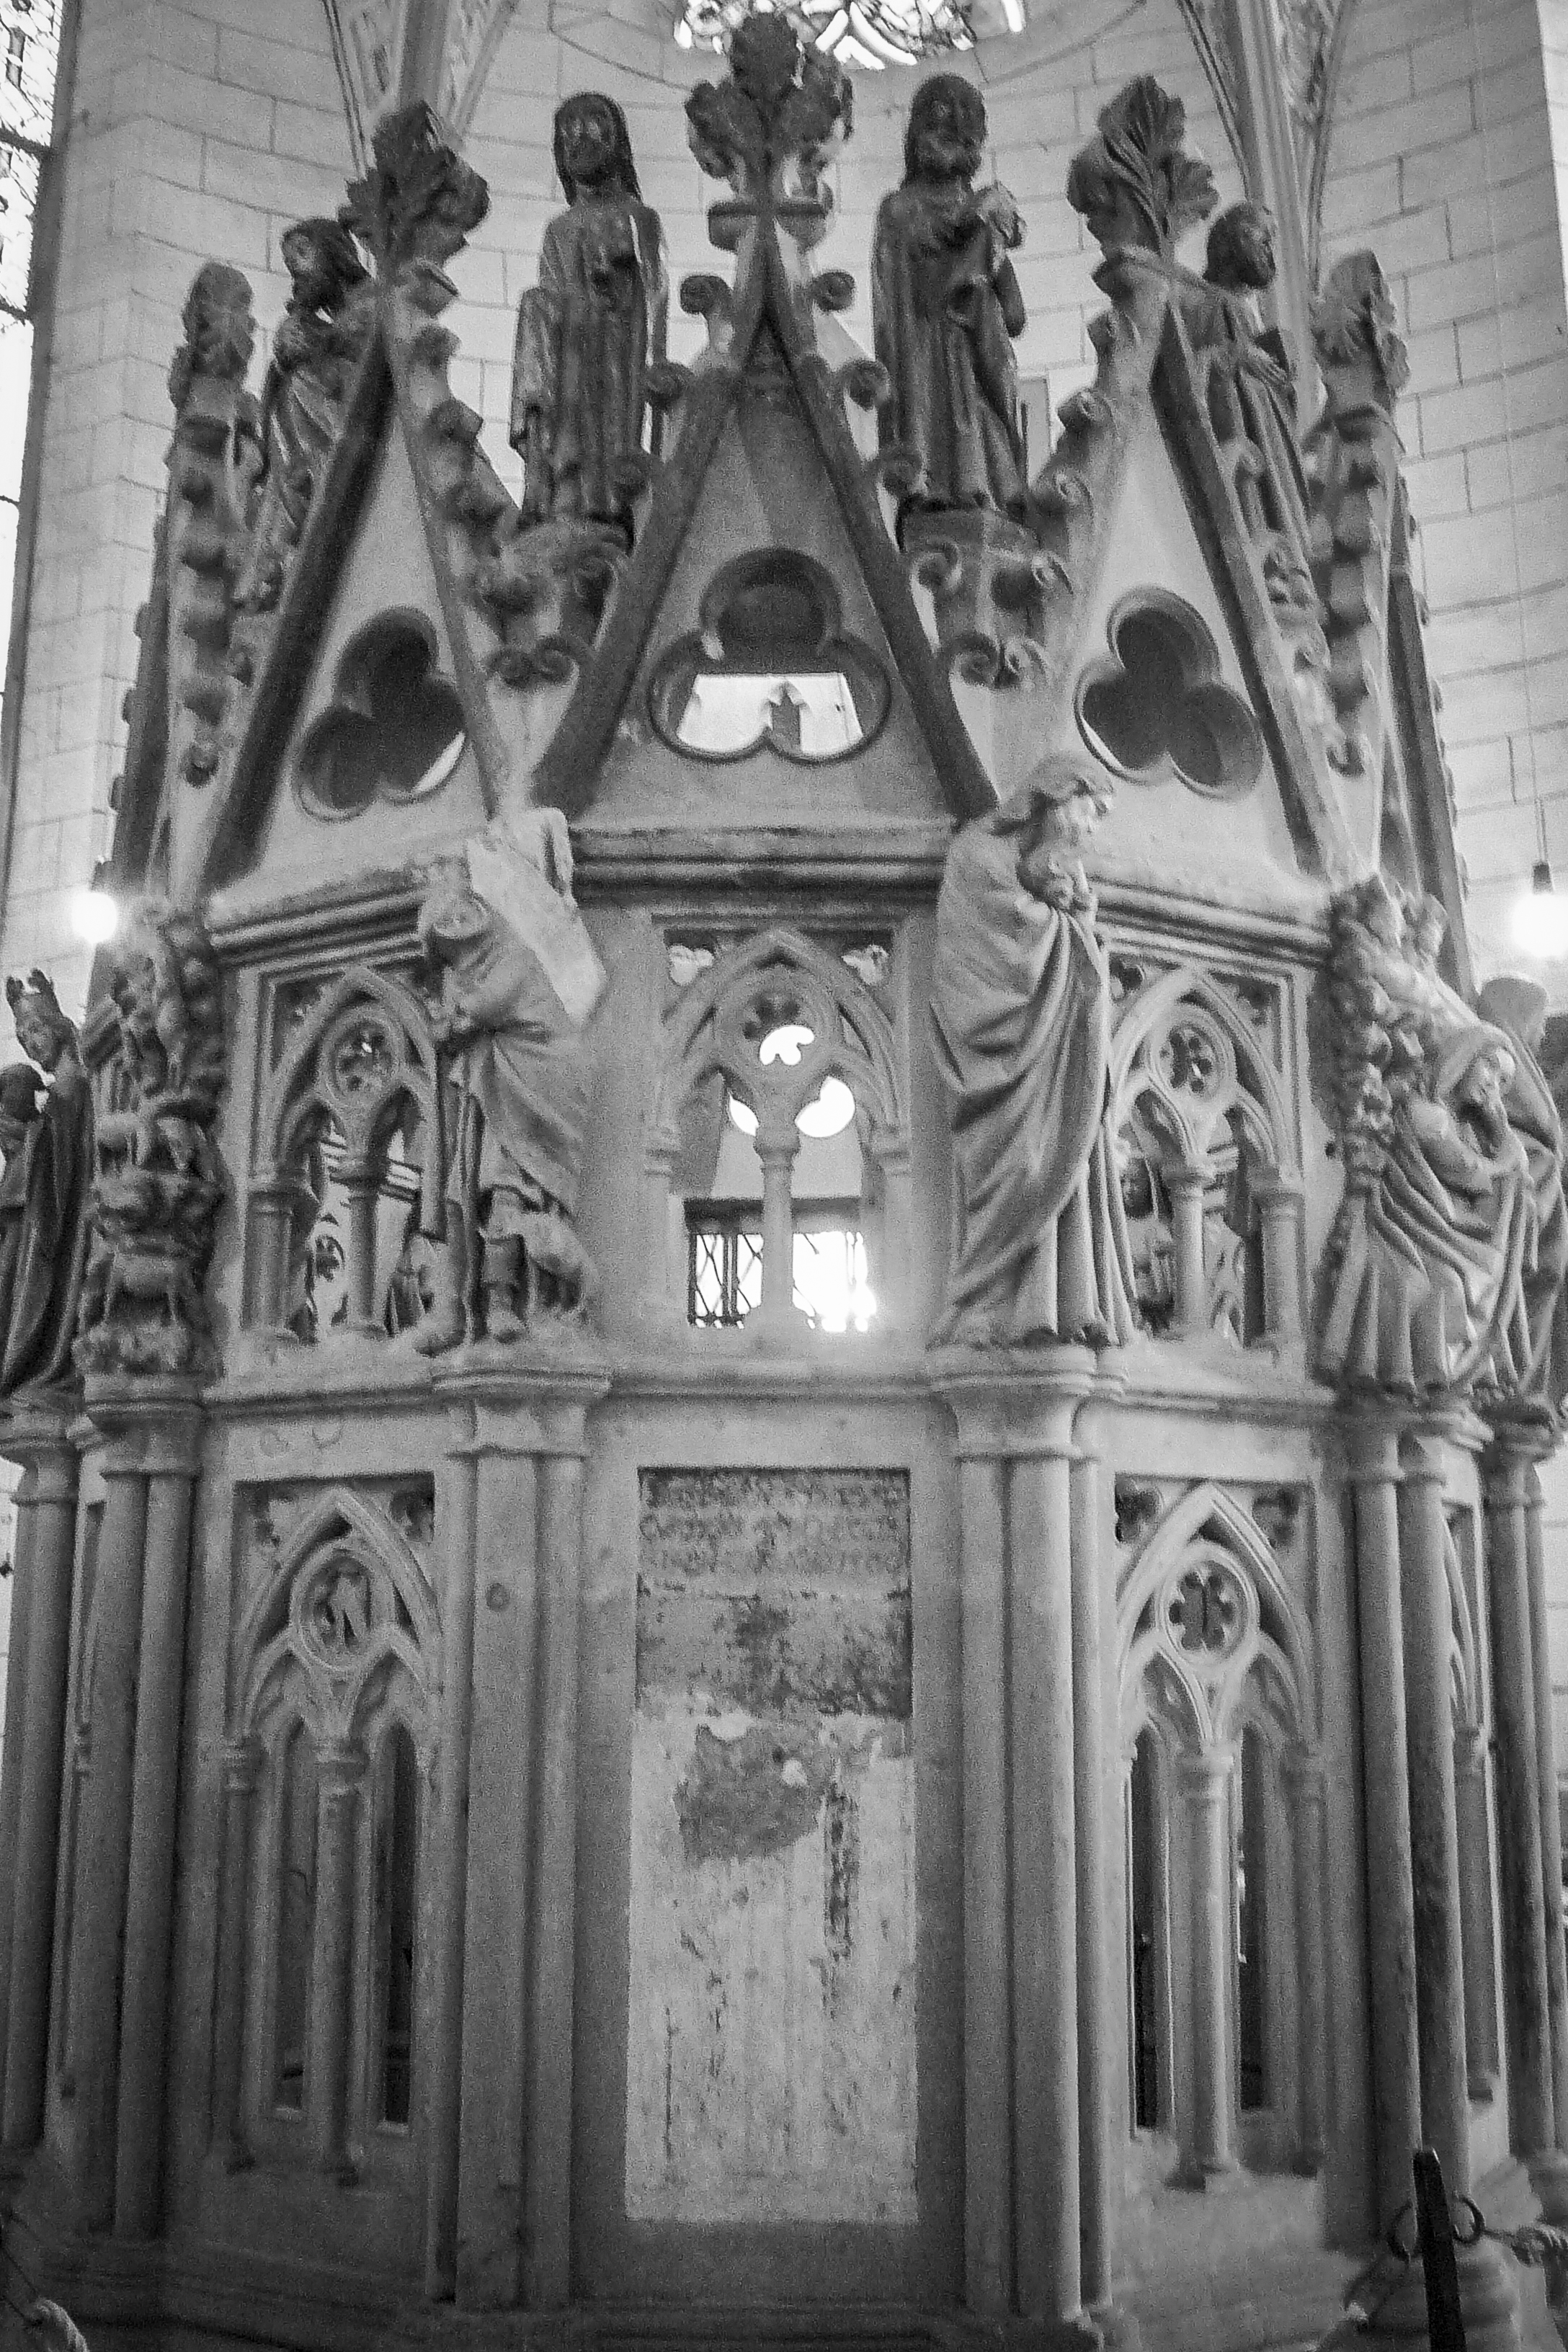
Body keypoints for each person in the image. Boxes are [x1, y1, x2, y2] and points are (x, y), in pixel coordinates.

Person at [931, 760, 1136, 1346]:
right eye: (1092, 812)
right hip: (1000, 1054)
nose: (1091, 830)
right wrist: (1063, 922)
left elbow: (1071, 929)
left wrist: (1076, 915)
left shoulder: (1056, 864)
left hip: (1055, 1051)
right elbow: (993, 944)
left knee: (1063, 1160)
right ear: (1057, 795)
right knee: (1022, 1165)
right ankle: (982, 1299)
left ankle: (1059, 1304)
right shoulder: (979, 854)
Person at [870, 76, 1026, 517]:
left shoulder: (988, 217)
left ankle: (989, 492)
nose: (955, 135)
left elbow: (1014, 315)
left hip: (977, 365)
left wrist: (991, 243)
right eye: (941, 123)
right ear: (917, 136)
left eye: (966, 129)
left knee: (991, 457)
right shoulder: (900, 209)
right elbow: (909, 301)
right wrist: (974, 229)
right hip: (926, 363)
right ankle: (931, 485)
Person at [510, 94, 667, 531]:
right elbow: (552, 291)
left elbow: (654, 298)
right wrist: (549, 309)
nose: (579, 140)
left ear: (617, 142)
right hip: (570, 354)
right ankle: (549, 481)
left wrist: (621, 266)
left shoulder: (640, 218)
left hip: (619, 350)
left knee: (613, 447)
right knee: (534, 305)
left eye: (593, 128)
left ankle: (616, 500)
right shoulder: (558, 229)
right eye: (569, 135)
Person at [0, 973, 92, 1396]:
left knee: (14, 1287)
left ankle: (21, 1366)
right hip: (28, 1209)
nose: (31, 1043)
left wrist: (22, 1134)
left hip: (42, 1216)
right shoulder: (60, 1087)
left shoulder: (71, 1085)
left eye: (36, 1030)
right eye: (23, 1036)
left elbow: (60, 1158)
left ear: (58, 1027)